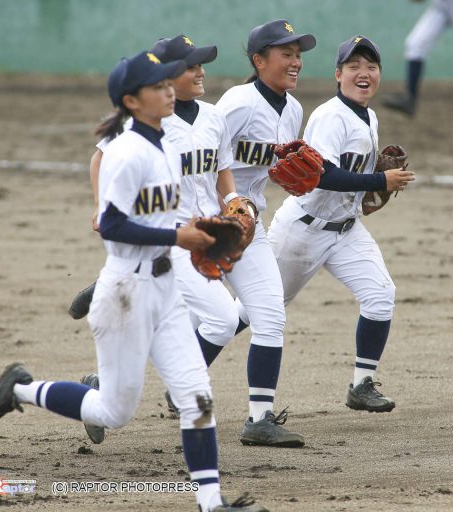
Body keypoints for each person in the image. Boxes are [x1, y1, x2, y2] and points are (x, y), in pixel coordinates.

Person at [0, 51, 267, 512]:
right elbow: (110, 226)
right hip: (126, 293)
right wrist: (179, 234)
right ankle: (18, 389)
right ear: (132, 100)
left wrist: (204, 231)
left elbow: (166, 213)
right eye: (157, 86)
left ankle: (212, 503)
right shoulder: (126, 152)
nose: (169, 89)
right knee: (114, 411)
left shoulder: (166, 144)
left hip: (167, 290)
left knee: (198, 398)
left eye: (168, 83)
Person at [77, 34, 248, 446]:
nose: (200, 71)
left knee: (186, 324)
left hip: (196, 236)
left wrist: (233, 202)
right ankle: (173, 390)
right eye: (191, 66)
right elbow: (101, 156)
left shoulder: (209, 117)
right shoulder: (146, 127)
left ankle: (109, 382)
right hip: (170, 241)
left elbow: (221, 168)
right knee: (224, 319)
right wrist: (102, 207)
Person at [267, 36, 415, 412]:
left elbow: (352, 179)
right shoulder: (330, 116)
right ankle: (186, 371)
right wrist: (379, 182)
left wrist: (368, 187)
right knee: (254, 310)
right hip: (302, 231)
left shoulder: (369, 115)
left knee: (380, 295)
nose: (363, 74)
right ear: (338, 75)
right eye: (354, 67)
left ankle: (362, 384)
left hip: (346, 230)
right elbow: (322, 176)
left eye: (371, 67)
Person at [212, 19, 317, 448]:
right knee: (200, 320)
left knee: (269, 314)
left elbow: (266, 173)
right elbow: (200, 156)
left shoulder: (293, 109)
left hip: (251, 226)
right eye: (285, 54)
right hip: (209, 224)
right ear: (259, 61)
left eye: (298, 54)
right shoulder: (237, 103)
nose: (295, 62)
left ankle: (260, 419)